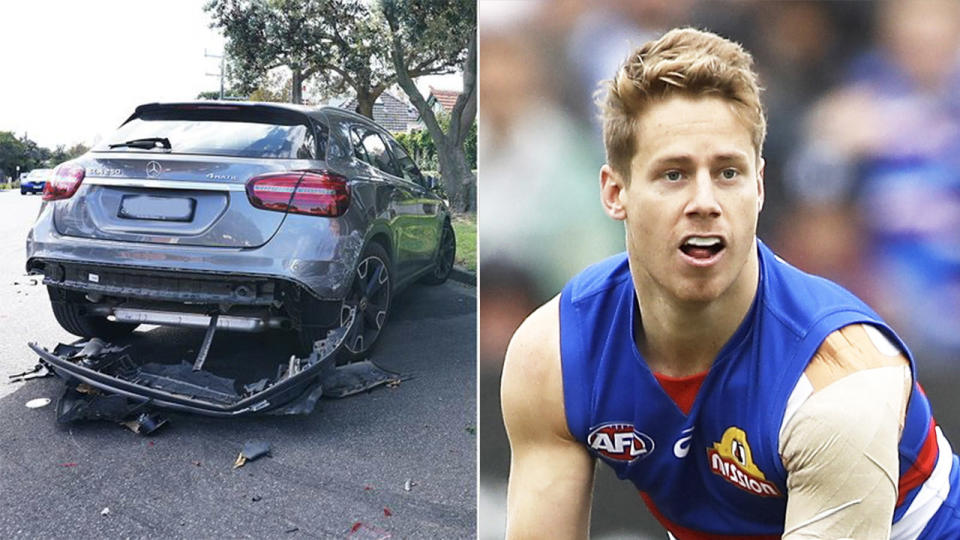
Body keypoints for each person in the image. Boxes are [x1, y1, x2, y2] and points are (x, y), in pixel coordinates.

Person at [501, 27, 960, 539]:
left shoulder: (837, 380)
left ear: (759, 187)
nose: (704, 201)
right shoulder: (556, 354)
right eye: (673, 174)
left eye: (727, 173)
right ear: (615, 193)